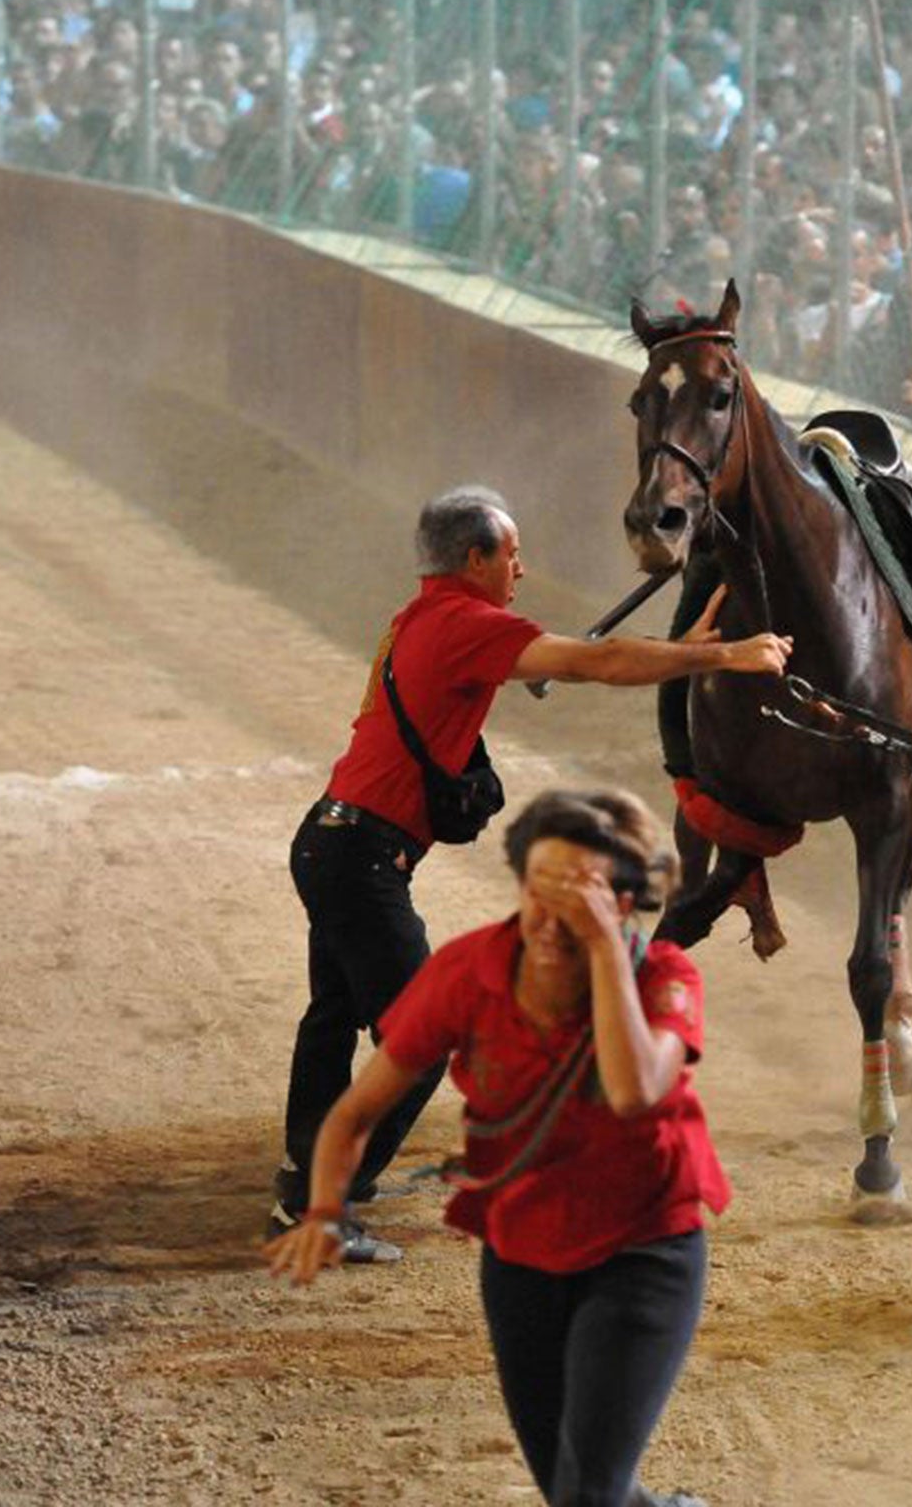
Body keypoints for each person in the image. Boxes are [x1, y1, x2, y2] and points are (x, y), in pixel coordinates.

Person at [272, 485, 790, 1262]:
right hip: (360, 857)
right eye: (510, 555)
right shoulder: (465, 624)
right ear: (474, 559)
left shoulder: (420, 617)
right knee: (416, 1043)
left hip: (332, 843)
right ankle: (326, 1203)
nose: (522, 568)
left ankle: (304, 1181)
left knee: (334, 1017)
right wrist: (719, 655)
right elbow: (598, 660)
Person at [265, 788, 718, 1507]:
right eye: (536, 888)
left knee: (586, 1494)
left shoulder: (662, 977)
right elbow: (354, 1115)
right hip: (520, 1255)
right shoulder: (468, 971)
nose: (545, 915)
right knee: (572, 1487)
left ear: (623, 903)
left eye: (576, 894)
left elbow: (633, 1089)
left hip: (643, 1252)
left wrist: (603, 948)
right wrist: (323, 1208)